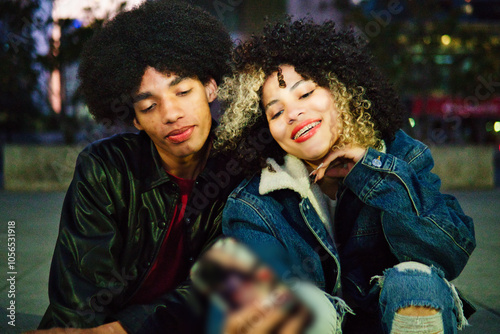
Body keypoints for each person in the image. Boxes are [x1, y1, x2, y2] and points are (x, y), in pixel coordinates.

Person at [214, 18, 476, 333]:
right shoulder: (253, 203)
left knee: (417, 283)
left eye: (306, 93)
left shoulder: (402, 157)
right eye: (276, 112)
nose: (294, 113)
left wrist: (374, 174)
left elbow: (447, 253)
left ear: (341, 89)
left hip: (394, 320)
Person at [35, 1, 244, 333]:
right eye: (149, 105)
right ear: (135, 118)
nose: (171, 114)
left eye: (183, 91)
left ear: (210, 86)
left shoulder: (241, 171)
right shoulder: (105, 169)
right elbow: (79, 295)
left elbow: (216, 289)